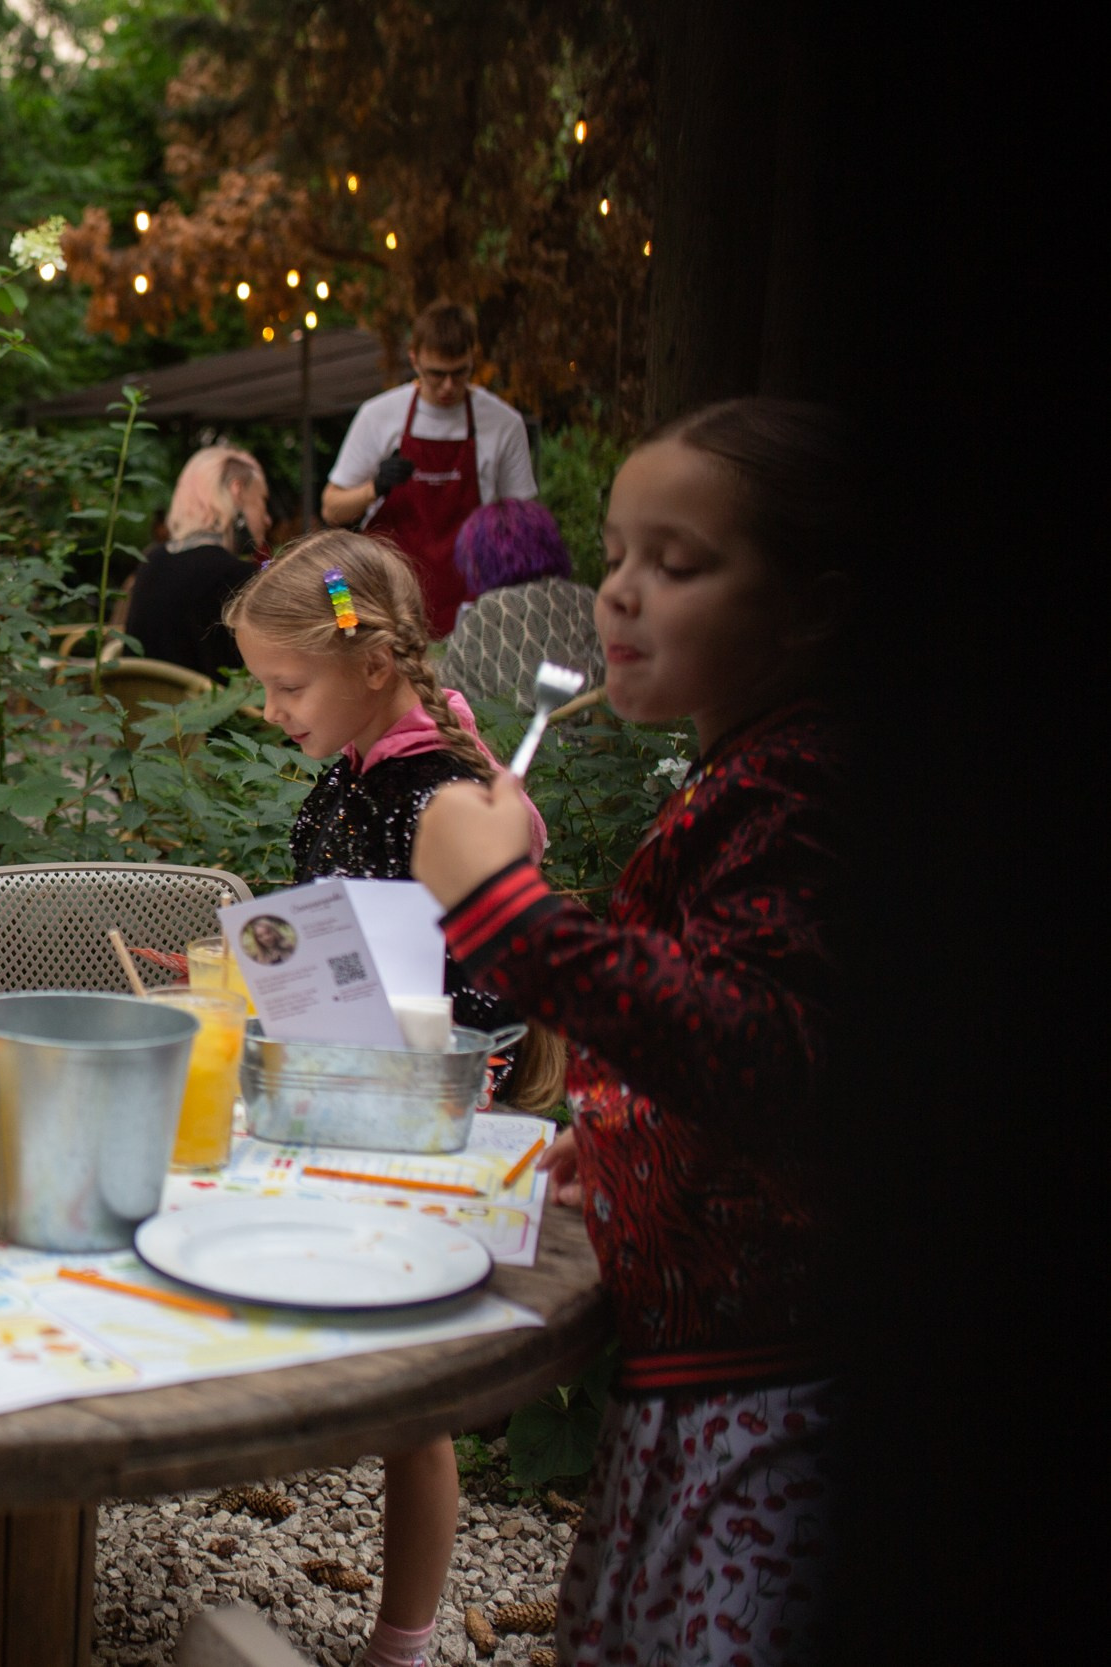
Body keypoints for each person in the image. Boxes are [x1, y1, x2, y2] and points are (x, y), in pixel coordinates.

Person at [410, 399, 850, 1665]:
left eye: (679, 563)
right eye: (614, 555)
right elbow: (706, 1021)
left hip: (769, 1393)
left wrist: (504, 911)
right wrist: (628, 1129)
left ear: (811, 606)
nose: (619, 594)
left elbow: (771, 1054)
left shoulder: (808, 785)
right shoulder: (748, 772)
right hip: (696, 1370)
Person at [221, 530, 561, 1667]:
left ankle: (404, 1639)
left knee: (415, 1393)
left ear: (372, 664)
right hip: (341, 1090)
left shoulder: (445, 795)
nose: (271, 710)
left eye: (286, 684)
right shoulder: (354, 776)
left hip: (428, 1114)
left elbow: (499, 975)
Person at [322, 301, 537, 637]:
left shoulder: (503, 423)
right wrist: (375, 487)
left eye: (460, 372)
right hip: (389, 601)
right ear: (414, 359)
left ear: (472, 357)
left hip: (472, 603)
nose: (448, 386)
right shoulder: (378, 416)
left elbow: (523, 527)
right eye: (436, 374)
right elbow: (332, 509)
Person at [121, 444, 270, 676]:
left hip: (139, 708)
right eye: (262, 501)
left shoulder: (153, 559)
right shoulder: (235, 575)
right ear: (237, 492)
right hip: (211, 709)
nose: (268, 519)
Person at [438, 498, 603, 706]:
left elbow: (448, 693)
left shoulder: (494, 609)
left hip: (529, 737)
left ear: (483, 557)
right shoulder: (588, 599)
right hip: (607, 736)